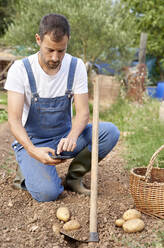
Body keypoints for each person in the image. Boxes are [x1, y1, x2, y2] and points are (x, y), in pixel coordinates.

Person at [5, 13, 120, 202]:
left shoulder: (76, 66)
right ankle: (28, 169)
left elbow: (83, 113)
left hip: (64, 139)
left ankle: (73, 178)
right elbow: (14, 120)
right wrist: (33, 150)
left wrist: (72, 136)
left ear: (68, 42)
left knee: (109, 132)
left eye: (61, 50)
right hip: (33, 142)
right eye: (50, 50)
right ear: (38, 39)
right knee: (48, 193)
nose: (55, 57)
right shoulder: (21, 69)